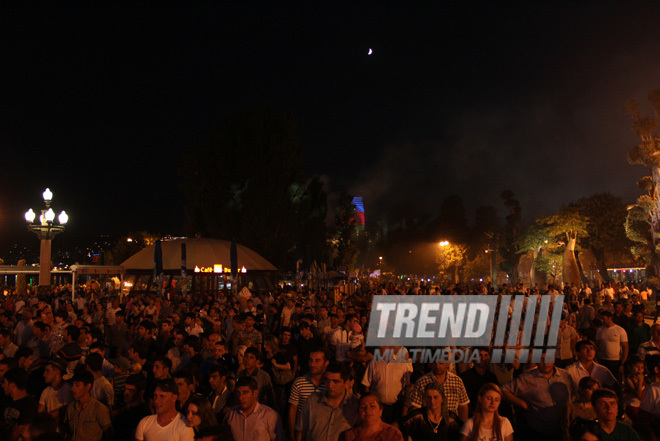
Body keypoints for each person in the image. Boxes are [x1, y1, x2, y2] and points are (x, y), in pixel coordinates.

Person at [501, 357, 572, 441]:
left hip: (565, 431)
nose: (545, 363)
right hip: (540, 432)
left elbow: (574, 395)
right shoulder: (526, 378)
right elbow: (503, 390)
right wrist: (522, 404)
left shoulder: (565, 375)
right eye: (541, 359)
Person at [296, 362, 359, 441]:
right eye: (327, 380)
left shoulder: (355, 405)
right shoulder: (313, 400)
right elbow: (301, 430)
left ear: (346, 382)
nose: (330, 385)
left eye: (335, 381)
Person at [405, 362, 470, 423]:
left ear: (447, 363)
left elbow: (463, 406)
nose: (437, 366)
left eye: (441, 363)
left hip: (451, 425)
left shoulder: (457, 381)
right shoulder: (422, 382)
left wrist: (462, 425)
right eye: (434, 362)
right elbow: (416, 409)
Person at [361, 346, 412, 423]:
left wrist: (405, 408)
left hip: (396, 407)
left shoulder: (402, 363)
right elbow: (366, 384)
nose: (380, 346)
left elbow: (408, 386)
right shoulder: (374, 363)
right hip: (378, 407)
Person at [225, 377, 283, 441]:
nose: (240, 397)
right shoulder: (230, 415)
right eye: (238, 393)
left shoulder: (270, 416)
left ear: (255, 393)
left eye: (245, 392)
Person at [289, 348, 329, 440]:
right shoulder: (299, 383)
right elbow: (292, 409)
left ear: (326, 363)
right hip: (302, 433)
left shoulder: (329, 384)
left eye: (317, 361)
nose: (312, 364)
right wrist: (292, 435)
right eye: (311, 360)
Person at [63, 370, 113, 441]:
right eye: (73, 385)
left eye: (77, 385)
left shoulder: (99, 408)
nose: (73, 388)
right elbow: (67, 432)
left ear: (88, 386)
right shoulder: (71, 407)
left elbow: (109, 434)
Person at [2, 368, 38, 441]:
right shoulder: (6, 399)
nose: (2, 385)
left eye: (4, 382)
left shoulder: (29, 403)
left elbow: (21, 429)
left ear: (12, 385)